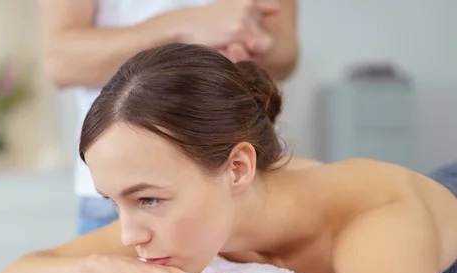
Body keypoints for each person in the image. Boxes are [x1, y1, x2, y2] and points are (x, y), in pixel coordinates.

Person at [0, 43, 457, 273]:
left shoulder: (375, 211)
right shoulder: (202, 213)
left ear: (237, 168)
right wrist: (94, 267)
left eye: (147, 199)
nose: (129, 236)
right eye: (115, 203)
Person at [38, 0, 299, 235]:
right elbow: (61, 60)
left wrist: (248, 44)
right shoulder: (128, 214)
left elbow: (285, 52)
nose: (130, 239)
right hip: (124, 183)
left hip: (243, 170)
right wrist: (185, 25)